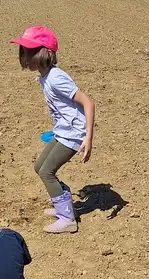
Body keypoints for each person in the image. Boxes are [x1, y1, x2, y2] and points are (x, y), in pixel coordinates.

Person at [12, 25, 96, 234]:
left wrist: (88, 139)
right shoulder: (47, 76)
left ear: (41, 54)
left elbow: (88, 102)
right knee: (39, 167)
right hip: (63, 132)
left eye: (28, 52)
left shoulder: (56, 78)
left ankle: (67, 217)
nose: (24, 57)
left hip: (74, 135)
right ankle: (64, 203)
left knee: (47, 172)